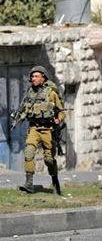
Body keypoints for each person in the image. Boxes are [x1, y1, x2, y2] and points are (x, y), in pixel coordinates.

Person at [15, 66, 65, 195]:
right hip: (34, 128)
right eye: (32, 76)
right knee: (29, 152)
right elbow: (24, 108)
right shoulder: (30, 92)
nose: (33, 78)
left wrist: (58, 119)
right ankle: (29, 184)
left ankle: (55, 181)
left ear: (43, 78)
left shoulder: (51, 93)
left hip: (48, 129)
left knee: (49, 159)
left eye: (36, 76)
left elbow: (61, 111)